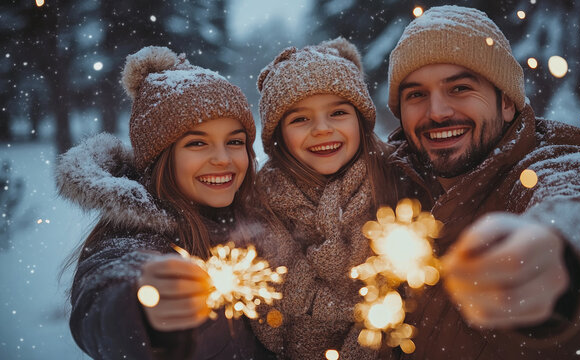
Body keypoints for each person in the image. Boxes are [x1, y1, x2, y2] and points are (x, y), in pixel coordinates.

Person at [384, 5, 580, 359]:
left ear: (506, 103)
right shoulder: (388, 181)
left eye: (459, 88)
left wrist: (558, 250)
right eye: (416, 94)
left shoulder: (550, 159)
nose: (437, 111)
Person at [56, 46, 275, 359]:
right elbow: (103, 293)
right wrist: (142, 305)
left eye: (235, 142)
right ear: (159, 159)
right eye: (197, 143)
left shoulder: (261, 221)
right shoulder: (135, 239)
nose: (223, 159)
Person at [250, 37, 394, 359]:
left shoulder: (394, 184)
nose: (321, 128)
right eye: (300, 119)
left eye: (338, 112)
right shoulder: (259, 206)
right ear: (278, 137)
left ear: (361, 120)